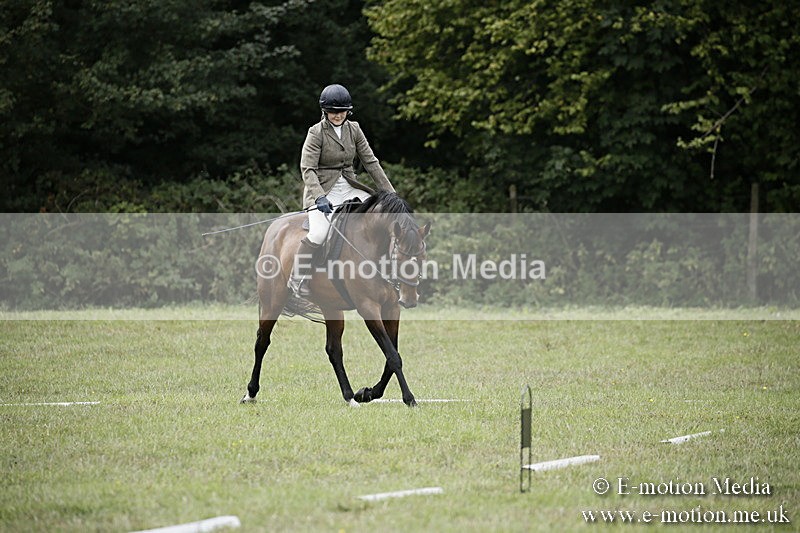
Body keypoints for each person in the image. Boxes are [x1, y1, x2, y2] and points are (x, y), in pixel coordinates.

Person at [288, 83, 396, 298]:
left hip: (349, 186)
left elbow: (370, 162)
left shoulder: (354, 129)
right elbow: (307, 169)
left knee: (380, 214)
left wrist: (390, 193)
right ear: (324, 111)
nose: (337, 116)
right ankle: (297, 277)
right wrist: (319, 196)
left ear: (348, 111)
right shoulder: (316, 133)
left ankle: (386, 272)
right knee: (319, 233)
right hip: (322, 189)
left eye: (341, 111)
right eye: (332, 112)